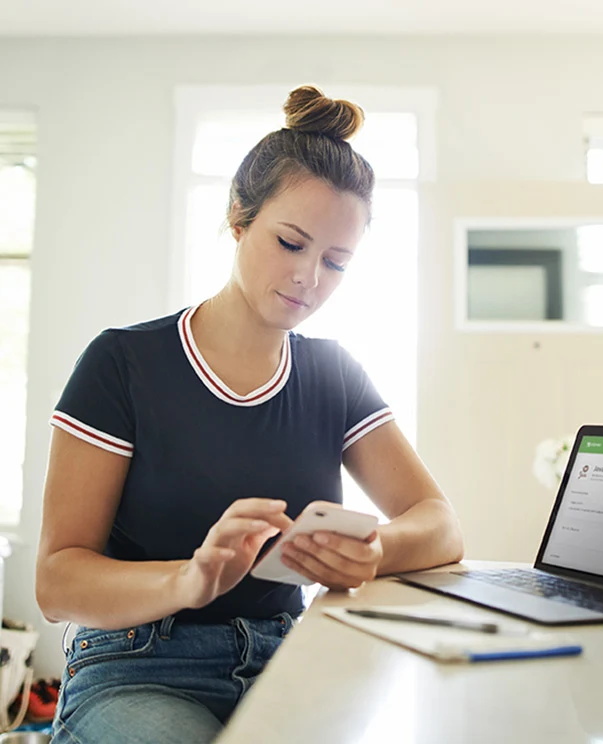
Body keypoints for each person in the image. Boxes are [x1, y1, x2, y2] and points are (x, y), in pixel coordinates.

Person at [36, 85, 464, 744]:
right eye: (290, 242)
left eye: (336, 262)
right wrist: (190, 578)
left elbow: (439, 526)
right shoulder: (123, 364)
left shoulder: (333, 373)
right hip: (139, 665)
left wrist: (370, 551)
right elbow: (58, 581)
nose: (309, 278)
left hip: (288, 656)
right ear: (239, 218)